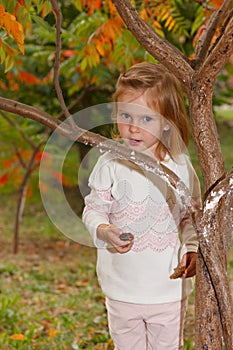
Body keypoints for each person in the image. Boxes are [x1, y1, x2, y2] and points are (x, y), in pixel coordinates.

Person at [82, 62, 202, 350]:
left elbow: (190, 217)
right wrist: (103, 228)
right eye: (126, 115)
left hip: (167, 290)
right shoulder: (110, 161)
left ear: (167, 121)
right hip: (122, 288)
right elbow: (93, 208)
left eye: (146, 119)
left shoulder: (180, 166)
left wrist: (192, 249)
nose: (133, 128)